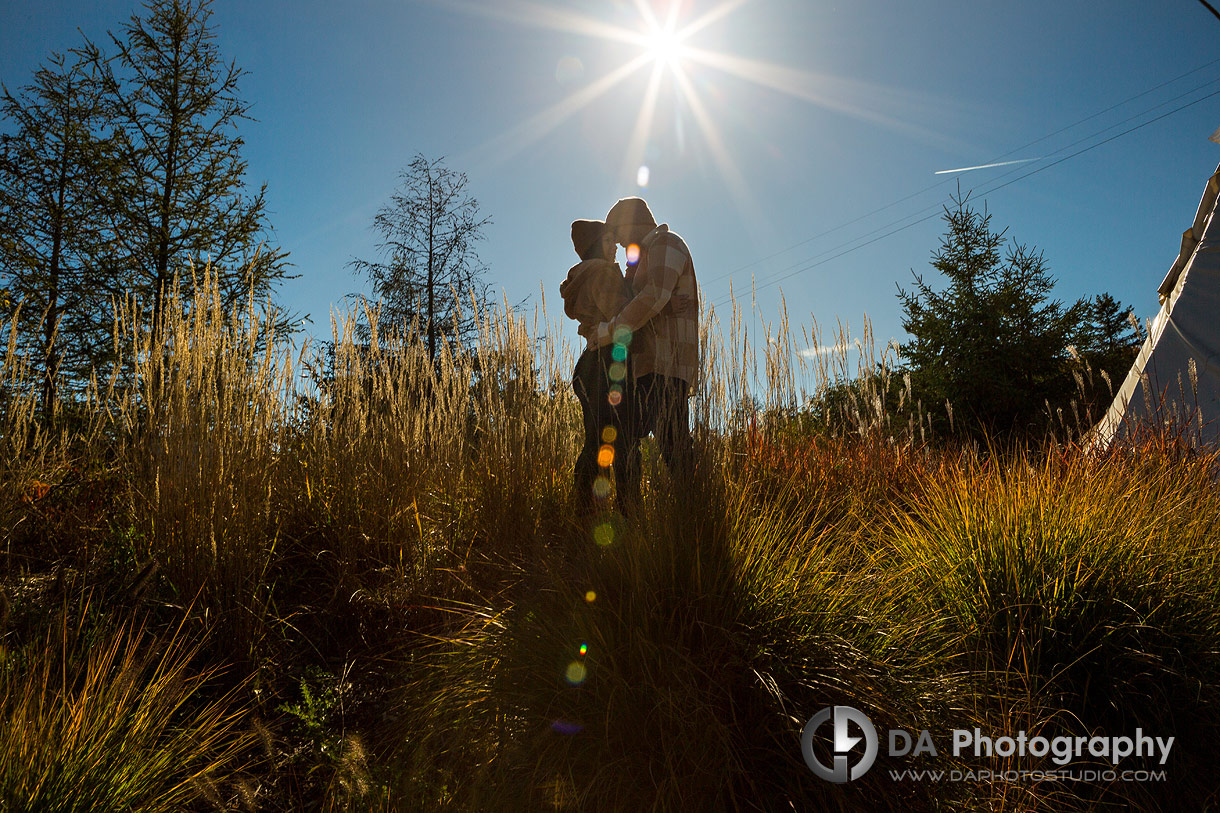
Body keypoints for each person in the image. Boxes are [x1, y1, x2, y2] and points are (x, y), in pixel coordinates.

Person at [589, 197, 698, 504]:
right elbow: (651, 303)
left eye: (618, 231)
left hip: (668, 362)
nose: (619, 240)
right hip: (649, 364)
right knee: (631, 438)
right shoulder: (644, 257)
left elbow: (654, 297)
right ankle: (635, 513)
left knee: (672, 446)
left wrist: (608, 331)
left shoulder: (667, 243)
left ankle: (691, 514)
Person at [559, 219, 634, 517]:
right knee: (622, 441)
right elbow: (622, 317)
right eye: (608, 242)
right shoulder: (602, 273)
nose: (615, 247)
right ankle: (628, 514)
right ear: (595, 245)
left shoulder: (582, 276)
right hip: (608, 362)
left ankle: (582, 514)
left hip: (590, 364)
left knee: (596, 442)